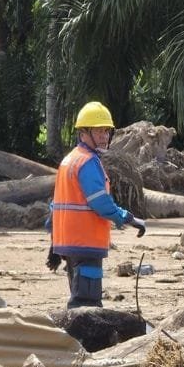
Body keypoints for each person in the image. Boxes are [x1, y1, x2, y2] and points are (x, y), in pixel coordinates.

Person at [46, 101, 146, 308]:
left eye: (107, 131)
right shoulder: (88, 162)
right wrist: (128, 218)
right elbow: (100, 203)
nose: (104, 136)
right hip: (85, 242)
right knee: (86, 304)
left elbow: (55, 207)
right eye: (99, 131)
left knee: (78, 299)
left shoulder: (70, 160)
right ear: (84, 132)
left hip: (70, 243)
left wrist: (54, 245)